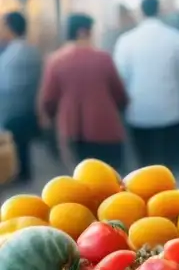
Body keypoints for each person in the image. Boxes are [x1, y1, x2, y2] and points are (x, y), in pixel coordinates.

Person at [113, 0, 179, 171]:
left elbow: (119, 77)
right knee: (172, 172)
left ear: (140, 12)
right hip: (171, 114)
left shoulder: (126, 41)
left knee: (144, 174)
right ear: (160, 11)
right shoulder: (177, 38)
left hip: (139, 114)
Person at [37, 14, 128, 170]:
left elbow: (48, 101)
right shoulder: (103, 58)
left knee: (82, 183)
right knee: (113, 181)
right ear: (83, 32)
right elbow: (120, 96)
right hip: (107, 129)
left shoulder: (56, 61)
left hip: (73, 132)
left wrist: (52, 123)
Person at [0, 12, 43, 182]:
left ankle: (21, 176)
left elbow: (7, 84)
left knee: (19, 147)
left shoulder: (17, 52)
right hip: (23, 108)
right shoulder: (27, 49)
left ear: (10, 28)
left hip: (15, 110)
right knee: (21, 147)